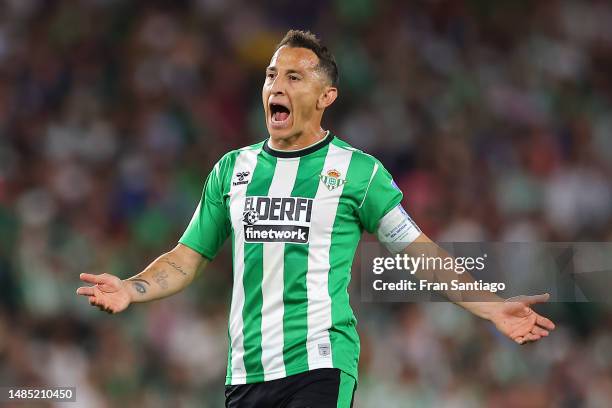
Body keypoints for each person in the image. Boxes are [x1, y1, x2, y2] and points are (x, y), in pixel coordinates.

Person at [77, 30, 556, 407]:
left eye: (293, 77)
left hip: (322, 363)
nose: (275, 87)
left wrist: (491, 306)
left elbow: (419, 253)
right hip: (245, 373)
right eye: (270, 75)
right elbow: (187, 258)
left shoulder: (358, 173)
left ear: (327, 96)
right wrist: (132, 288)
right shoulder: (232, 169)